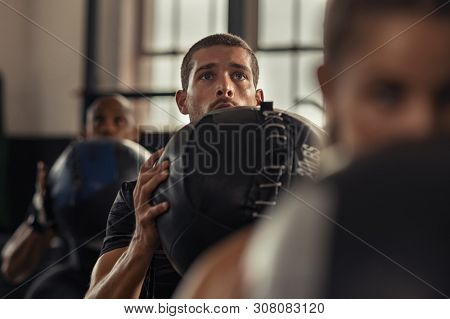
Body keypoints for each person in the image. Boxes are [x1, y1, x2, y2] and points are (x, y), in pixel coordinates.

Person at [174, 0, 450, 298]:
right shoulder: (232, 282)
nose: (420, 126)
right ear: (330, 89)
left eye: (447, 97)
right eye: (387, 95)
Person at [84, 33, 265, 298]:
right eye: (206, 76)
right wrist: (142, 242)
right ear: (182, 101)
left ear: (258, 99)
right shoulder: (141, 196)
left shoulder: (288, 184)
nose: (224, 87)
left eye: (238, 75)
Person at [1, 95, 137, 297]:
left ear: (134, 133)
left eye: (119, 121)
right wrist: (41, 217)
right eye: (99, 120)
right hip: (77, 276)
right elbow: (13, 270)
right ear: (84, 133)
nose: (108, 129)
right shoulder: (63, 179)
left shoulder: (150, 175)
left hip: (132, 272)